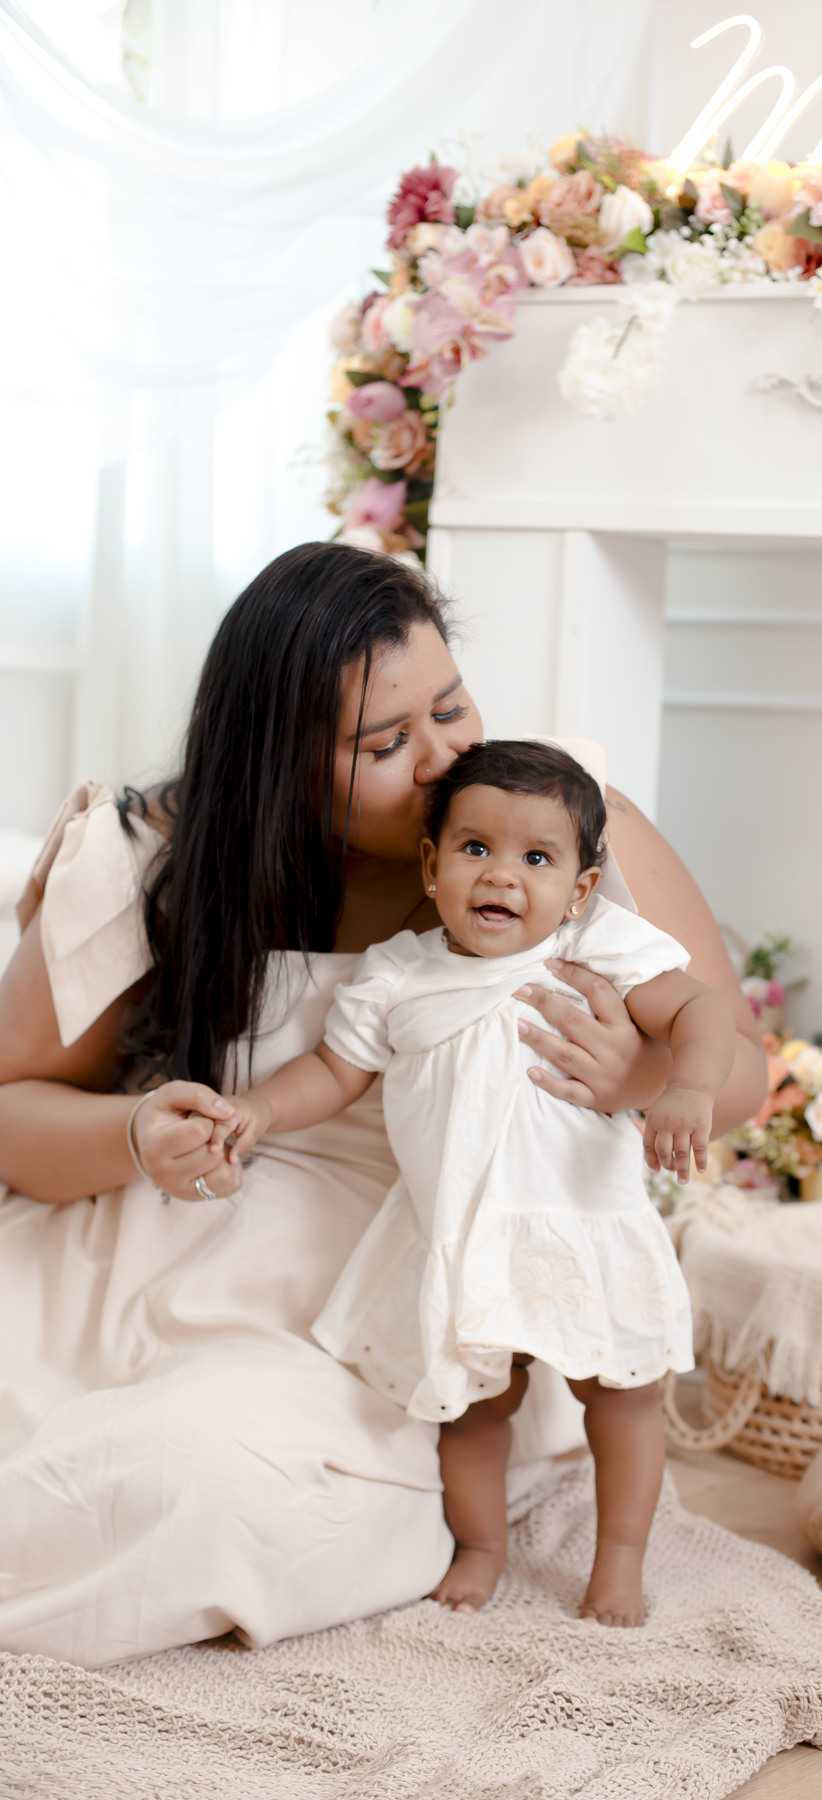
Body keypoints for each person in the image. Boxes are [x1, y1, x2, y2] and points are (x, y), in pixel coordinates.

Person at [0, 541, 766, 1668]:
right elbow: (13, 1112)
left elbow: (738, 1065)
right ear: (276, 763)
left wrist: (636, 1078)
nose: (445, 757)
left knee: (186, 1480)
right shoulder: (151, 855)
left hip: (411, 1291)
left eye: (450, 706)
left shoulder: (552, 826)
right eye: (385, 744)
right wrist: (135, 1133)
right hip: (138, 1258)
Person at [211, 740, 735, 1627]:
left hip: (582, 1222)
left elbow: (699, 1008)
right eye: (476, 848)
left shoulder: (592, 948)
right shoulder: (400, 974)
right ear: (432, 865)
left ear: (580, 888)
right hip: (460, 1230)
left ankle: (620, 1559)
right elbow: (334, 1073)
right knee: (477, 1409)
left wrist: (687, 1086)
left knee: (623, 1397)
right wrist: (258, 1108)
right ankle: (482, 1546)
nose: (501, 875)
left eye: (537, 858)